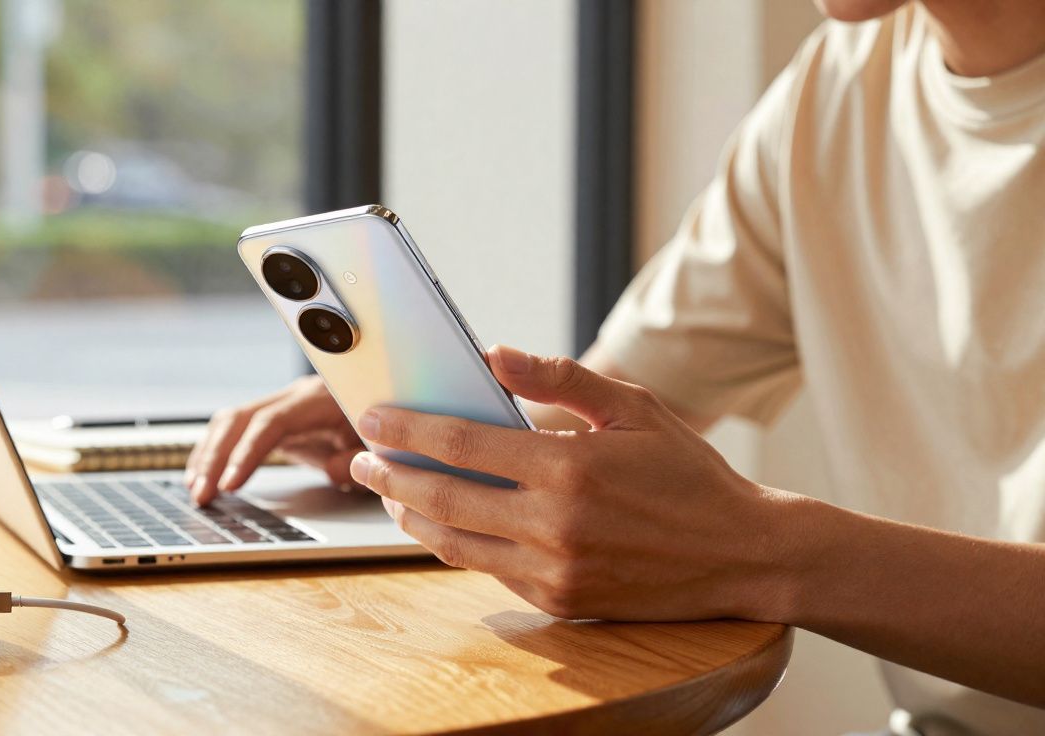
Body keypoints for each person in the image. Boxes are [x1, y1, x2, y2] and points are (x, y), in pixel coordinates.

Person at [186, 0, 1045, 732]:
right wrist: (441, 419)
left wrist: (766, 554)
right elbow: (628, 399)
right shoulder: (841, 85)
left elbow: (737, 536)